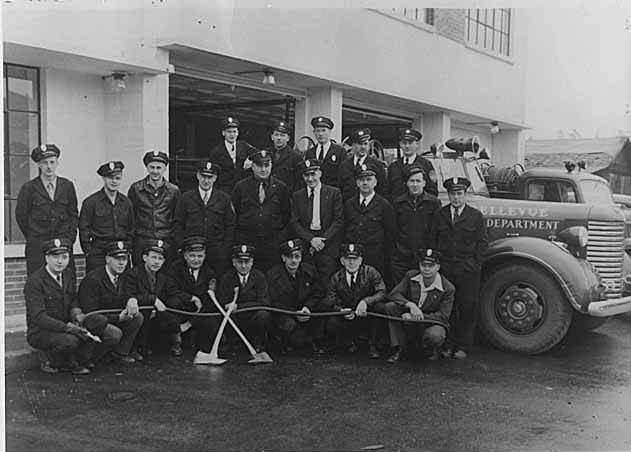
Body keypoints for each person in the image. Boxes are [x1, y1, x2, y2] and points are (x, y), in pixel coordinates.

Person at [430, 177, 488, 359]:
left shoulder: (475, 216)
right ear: (448, 195)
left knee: (467, 308)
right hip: (446, 269)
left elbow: (482, 243)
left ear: (465, 195)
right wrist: (437, 267)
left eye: (459, 194)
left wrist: (474, 264)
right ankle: (448, 344)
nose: (456, 198)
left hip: (467, 270)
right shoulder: (440, 215)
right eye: (452, 194)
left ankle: (463, 346)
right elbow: (433, 240)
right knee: (448, 308)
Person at [24, 238, 93, 375]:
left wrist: (76, 312)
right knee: (71, 340)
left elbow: (73, 298)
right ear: (46, 258)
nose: (60, 261)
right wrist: (68, 328)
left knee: (94, 324)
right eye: (55, 257)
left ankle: (78, 359)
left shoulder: (67, 274)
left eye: (64, 257)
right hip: (41, 331)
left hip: (64, 325)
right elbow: (39, 318)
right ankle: (50, 358)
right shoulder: (35, 282)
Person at [15, 144, 79, 275]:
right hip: (38, 247)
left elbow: (73, 214)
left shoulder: (67, 186)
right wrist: (34, 236)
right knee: (38, 282)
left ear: (57, 163)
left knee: (66, 282)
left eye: (52, 162)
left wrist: (69, 239)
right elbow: (21, 216)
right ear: (39, 165)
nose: (49, 166)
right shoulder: (29, 188)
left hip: (62, 245)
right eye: (44, 163)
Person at [78, 241, 144, 364]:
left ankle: (120, 353)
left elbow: (130, 292)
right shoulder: (93, 279)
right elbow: (92, 314)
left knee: (137, 316)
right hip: (95, 322)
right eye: (117, 258)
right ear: (108, 259)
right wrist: (118, 317)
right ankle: (90, 358)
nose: (121, 263)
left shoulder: (124, 276)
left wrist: (131, 299)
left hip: (113, 318)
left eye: (124, 259)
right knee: (114, 333)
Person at [384, 249, 454, 363]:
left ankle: (429, 349)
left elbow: (443, 317)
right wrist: (410, 305)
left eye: (431, 266)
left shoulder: (448, 288)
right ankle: (398, 348)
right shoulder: (411, 275)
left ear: (438, 267)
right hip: (412, 317)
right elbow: (394, 294)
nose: (426, 269)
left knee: (435, 335)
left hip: (430, 323)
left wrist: (416, 316)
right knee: (390, 307)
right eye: (423, 265)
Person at [322, 243, 388, 358]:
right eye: (348, 259)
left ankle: (373, 344)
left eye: (355, 259)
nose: (351, 263)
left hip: (366, 314)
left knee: (381, 308)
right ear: (342, 261)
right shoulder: (336, 277)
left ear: (360, 260)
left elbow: (382, 291)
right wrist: (341, 310)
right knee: (332, 322)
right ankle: (344, 343)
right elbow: (329, 300)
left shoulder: (370, 272)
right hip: (347, 317)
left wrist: (366, 302)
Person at [232, 149, 291, 272]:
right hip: (247, 242)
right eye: (259, 165)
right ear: (252, 166)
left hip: (272, 245)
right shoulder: (241, 187)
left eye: (266, 165)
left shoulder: (281, 188)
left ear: (271, 166)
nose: (263, 169)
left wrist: (279, 238)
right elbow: (234, 215)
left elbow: (286, 216)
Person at [173, 161, 235, 278]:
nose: (206, 181)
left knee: (215, 282)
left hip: (216, 253)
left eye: (210, 177)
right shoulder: (186, 198)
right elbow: (178, 224)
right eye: (203, 176)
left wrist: (224, 250)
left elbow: (230, 226)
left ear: (215, 178)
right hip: (192, 252)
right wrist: (182, 247)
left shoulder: (224, 199)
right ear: (197, 176)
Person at [121, 239, 181, 356]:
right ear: (145, 258)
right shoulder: (133, 274)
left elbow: (172, 292)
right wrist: (153, 299)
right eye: (153, 257)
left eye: (160, 259)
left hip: (154, 317)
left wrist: (190, 298)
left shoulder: (163, 276)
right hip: (137, 314)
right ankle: (133, 349)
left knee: (173, 308)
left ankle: (174, 342)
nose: (156, 262)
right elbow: (129, 296)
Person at [290, 158, 344, 286]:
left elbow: (338, 220)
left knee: (326, 283)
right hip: (307, 244)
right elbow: (294, 222)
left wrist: (322, 240)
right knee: (306, 281)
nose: (310, 179)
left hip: (327, 244)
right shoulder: (298, 196)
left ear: (320, 173)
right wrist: (311, 240)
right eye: (306, 175)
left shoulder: (333, 193)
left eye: (313, 174)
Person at [266, 239, 325, 352]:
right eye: (290, 257)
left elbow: (319, 292)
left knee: (323, 307)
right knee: (292, 332)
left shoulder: (309, 271)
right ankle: (284, 342)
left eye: (297, 257)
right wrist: (294, 313)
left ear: (301, 257)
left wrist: (307, 307)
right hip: (285, 315)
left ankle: (316, 340)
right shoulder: (273, 275)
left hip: (306, 312)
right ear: (283, 258)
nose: (293, 260)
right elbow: (273, 302)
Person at [167, 236, 220, 357]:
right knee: (173, 302)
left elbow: (209, 301)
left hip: (200, 312)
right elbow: (171, 290)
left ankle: (203, 349)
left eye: (200, 256)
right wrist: (191, 298)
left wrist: (190, 323)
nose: (196, 260)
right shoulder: (175, 268)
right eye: (192, 256)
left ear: (205, 256)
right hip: (182, 308)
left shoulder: (209, 272)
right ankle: (175, 341)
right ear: (185, 255)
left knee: (212, 322)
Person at [79, 161, 135, 273]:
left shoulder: (126, 202)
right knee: (96, 285)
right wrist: (89, 252)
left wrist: (127, 247)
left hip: (120, 252)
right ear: (104, 179)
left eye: (117, 178)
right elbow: (83, 229)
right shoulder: (91, 202)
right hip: (99, 253)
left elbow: (131, 228)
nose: (114, 181)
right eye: (110, 178)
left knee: (123, 285)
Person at [127, 150, 180, 266]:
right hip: (142, 240)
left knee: (166, 276)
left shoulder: (173, 191)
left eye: (159, 168)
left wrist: (175, 241)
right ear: (147, 167)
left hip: (165, 240)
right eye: (152, 167)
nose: (155, 171)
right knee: (140, 275)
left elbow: (177, 218)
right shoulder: (136, 189)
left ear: (165, 168)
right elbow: (130, 217)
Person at [217, 245, 273, 353]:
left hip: (252, 318)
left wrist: (239, 306)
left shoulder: (259, 277)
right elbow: (222, 300)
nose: (243, 266)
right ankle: (232, 342)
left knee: (263, 315)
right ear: (233, 262)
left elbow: (264, 302)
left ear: (252, 262)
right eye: (240, 262)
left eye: (247, 262)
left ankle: (259, 343)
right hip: (235, 319)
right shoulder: (227, 278)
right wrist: (227, 305)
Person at [343, 163, 396, 279]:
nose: (365, 183)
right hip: (353, 258)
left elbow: (390, 234)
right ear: (357, 183)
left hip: (376, 257)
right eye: (362, 180)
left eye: (369, 179)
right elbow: (344, 230)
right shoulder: (349, 204)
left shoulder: (384, 205)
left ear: (375, 182)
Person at [390, 166, 442, 284]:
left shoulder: (433, 203)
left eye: (418, 181)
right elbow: (393, 230)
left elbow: (436, 231)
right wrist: (397, 252)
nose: (415, 185)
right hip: (402, 257)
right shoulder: (398, 203)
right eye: (411, 181)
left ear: (424, 183)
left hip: (424, 258)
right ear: (406, 183)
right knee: (400, 290)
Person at [338, 129, 388, 201]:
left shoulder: (377, 165)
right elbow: (340, 189)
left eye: (365, 144)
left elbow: (383, 191)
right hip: (349, 208)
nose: (363, 147)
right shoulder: (344, 166)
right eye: (359, 144)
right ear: (353, 145)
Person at [387, 128, 437, 199]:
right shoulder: (393, 166)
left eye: (410, 143)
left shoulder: (426, 165)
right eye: (404, 143)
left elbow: (432, 191)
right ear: (400, 144)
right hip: (397, 207)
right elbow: (388, 190)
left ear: (417, 144)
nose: (407, 146)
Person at [209, 116, 253, 194]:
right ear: (223, 133)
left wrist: (251, 161)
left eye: (234, 131)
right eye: (229, 132)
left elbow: (259, 154)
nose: (232, 135)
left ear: (238, 133)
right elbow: (214, 173)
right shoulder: (216, 152)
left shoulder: (244, 146)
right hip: (224, 189)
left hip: (243, 188)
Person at [304, 116, 347, 190]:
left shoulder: (340, 151)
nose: (320, 134)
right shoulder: (309, 153)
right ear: (314, 132)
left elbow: (343, 178)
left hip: (333, 195)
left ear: (330, 131)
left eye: (324, 130)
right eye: (318, 131)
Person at [266, 120, 302, 192]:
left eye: (282, 135)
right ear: (272, 137)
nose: (279, 138)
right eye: (276, 135)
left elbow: (299, 182)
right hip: (268, 194)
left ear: (288, 138)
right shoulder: (266, 153)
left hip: (286, 196)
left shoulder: (295, 157)